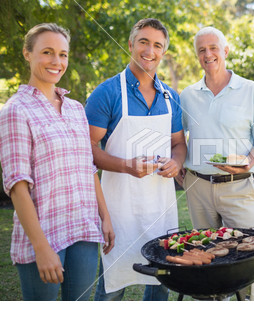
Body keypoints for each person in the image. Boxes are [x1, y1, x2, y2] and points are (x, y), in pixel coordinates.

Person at [0, 23, 114, 301]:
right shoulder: (16, 110)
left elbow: (88, 169)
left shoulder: (75, 109)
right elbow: (17, 186)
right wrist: (41, 248)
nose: (56, 61)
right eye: (47, 52)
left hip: (84, 228)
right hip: (44, 233)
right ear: (28, 54)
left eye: (62, 54)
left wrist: (105, 216)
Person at [85, 18, 186, 301]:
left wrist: (177, 162)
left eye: (157, 45)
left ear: (163, 52)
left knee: (161, 281)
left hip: (160, 209)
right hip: (118, 209)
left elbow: (179, 144)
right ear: (131, 45)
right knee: (112, 286)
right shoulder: (107, 93)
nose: (149, 50)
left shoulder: (170, 97)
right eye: (143, 42)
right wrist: (126, 166)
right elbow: (86, 148)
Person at [178, 26, 254, 301]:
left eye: (213, 48)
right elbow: (178, 138)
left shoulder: (250, 90)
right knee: (206, 254)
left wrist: (248, 163)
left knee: (247, 255)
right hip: (198, 187)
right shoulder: (187, 95)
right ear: (197, 56)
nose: (208, 54)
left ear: (225, 51)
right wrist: (180, 167)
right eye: (201, 50)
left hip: (238, 187)